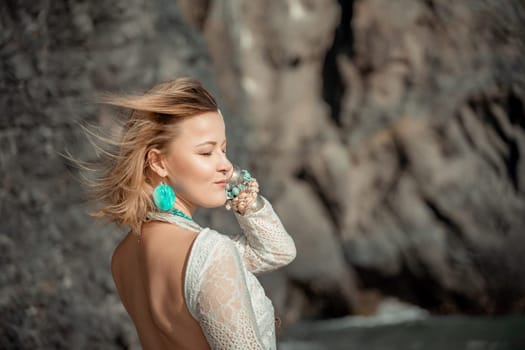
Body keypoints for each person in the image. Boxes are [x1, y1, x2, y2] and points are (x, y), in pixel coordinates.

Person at [90, 77, 297, 349]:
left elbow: (276, 250)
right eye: (206, 152)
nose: (226, 165)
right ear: (158, 162)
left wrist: (244, 196)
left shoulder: (123, 256)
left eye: (223, 149)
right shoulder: (211, 253)